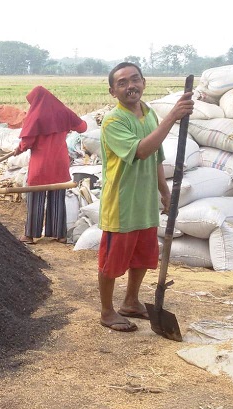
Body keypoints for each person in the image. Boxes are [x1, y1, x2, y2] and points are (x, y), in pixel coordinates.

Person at [97, 62, 194, 332]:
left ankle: (131, 301)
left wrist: (164, 192)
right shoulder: (113, 120)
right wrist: (172, 118)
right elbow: (141, 150)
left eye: (135, 79)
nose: (130, 86)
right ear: (112, 91)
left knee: (142, 256)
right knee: (112, 260)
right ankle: (107, 311)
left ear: (144, 82)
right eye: (122, 83)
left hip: (145, 202)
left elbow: (154, 158)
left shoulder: (149, 114)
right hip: (122, 203)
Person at [15, 86, 88, 245]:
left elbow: (27, 142)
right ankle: (59, 234)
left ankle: (30, 235)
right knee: (57, 198)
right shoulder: (64, 112)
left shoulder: (35, 116)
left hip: (41, 164)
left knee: (36, 198)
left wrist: (18, 149)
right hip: (59, 162)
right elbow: (82, 127)